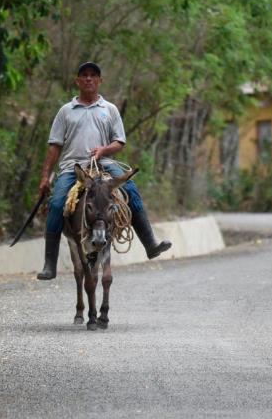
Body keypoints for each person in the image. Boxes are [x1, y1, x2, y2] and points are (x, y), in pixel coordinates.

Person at [36, 61, 171, 280]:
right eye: (84, 75)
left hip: (104, 164)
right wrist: (45, 177)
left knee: (131, 190)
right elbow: (54, 146)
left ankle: (150, 244)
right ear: (77, 81)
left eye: (93, 75)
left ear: (100, 81)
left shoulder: (109, 110)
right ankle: (49, 264)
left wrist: (104, 150)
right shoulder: (66, 111)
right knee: (57, 203)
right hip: (74, 167)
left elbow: (119, 142)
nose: (89, 79)